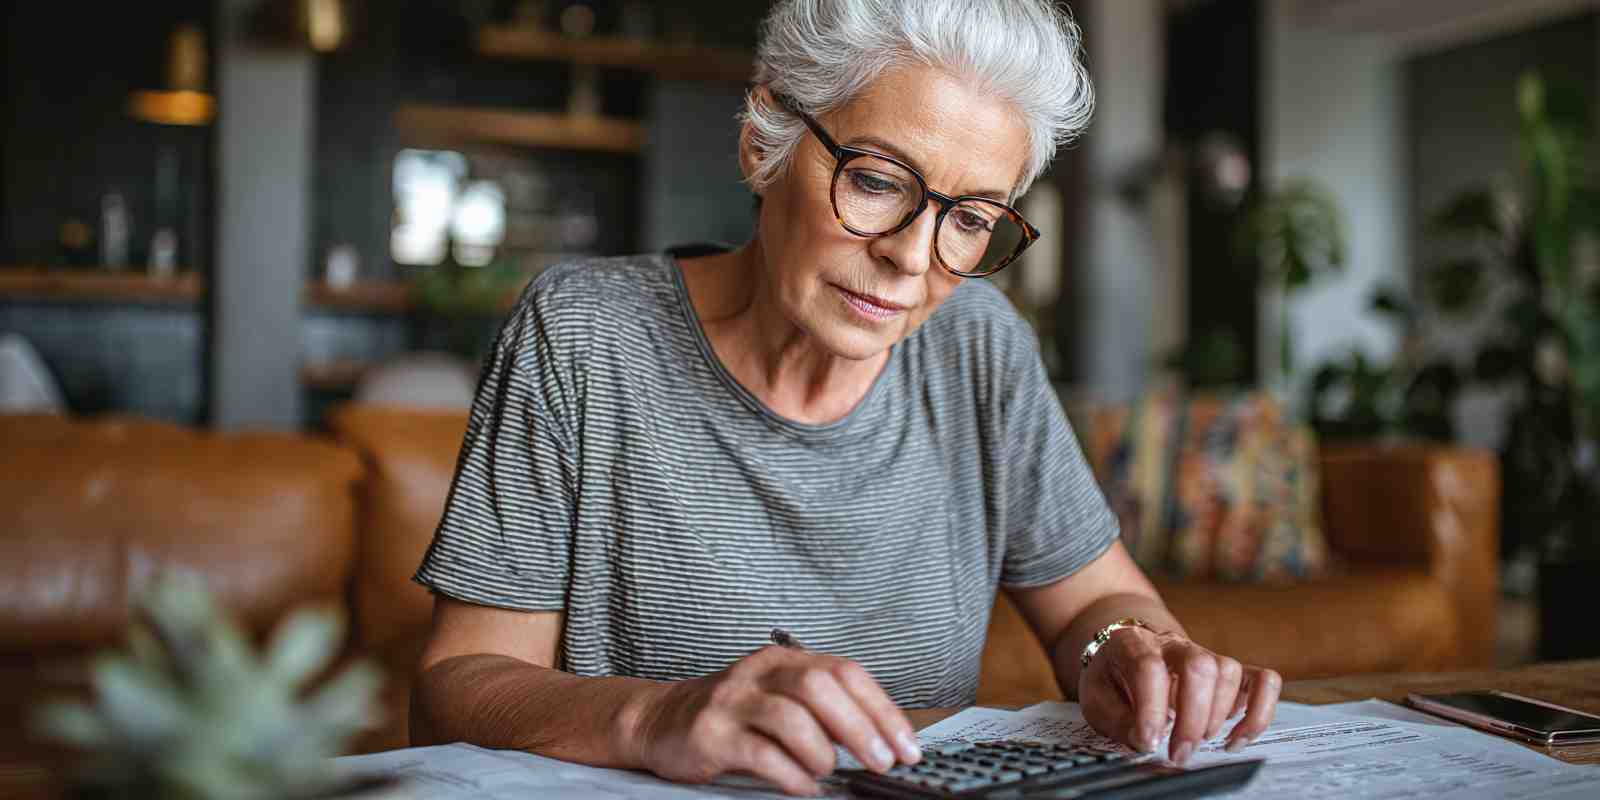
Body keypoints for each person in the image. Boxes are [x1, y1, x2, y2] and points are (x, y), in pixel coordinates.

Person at [409, 0, 1281, 795]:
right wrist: (656, 716)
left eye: (971, 218)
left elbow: (1095, 603)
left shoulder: (979, 345)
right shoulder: (585, 335)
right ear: (765, 140)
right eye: (875, 180)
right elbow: (458, 686)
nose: (913, 255)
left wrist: (1126, 649)